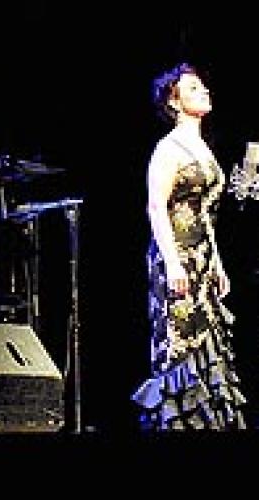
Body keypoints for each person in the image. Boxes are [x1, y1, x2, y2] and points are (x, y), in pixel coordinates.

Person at [131, 62, 247, 430]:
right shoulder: (168, 149)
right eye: (193, 88)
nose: (204, 91)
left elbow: (205, 214)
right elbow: (156, 207)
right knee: (179, 346)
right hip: (177, 258)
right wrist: (172, 262)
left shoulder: (203, 149)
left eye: (202, 86)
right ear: (174, 101)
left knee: (208, 346)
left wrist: (218, 264)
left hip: (202, 261)